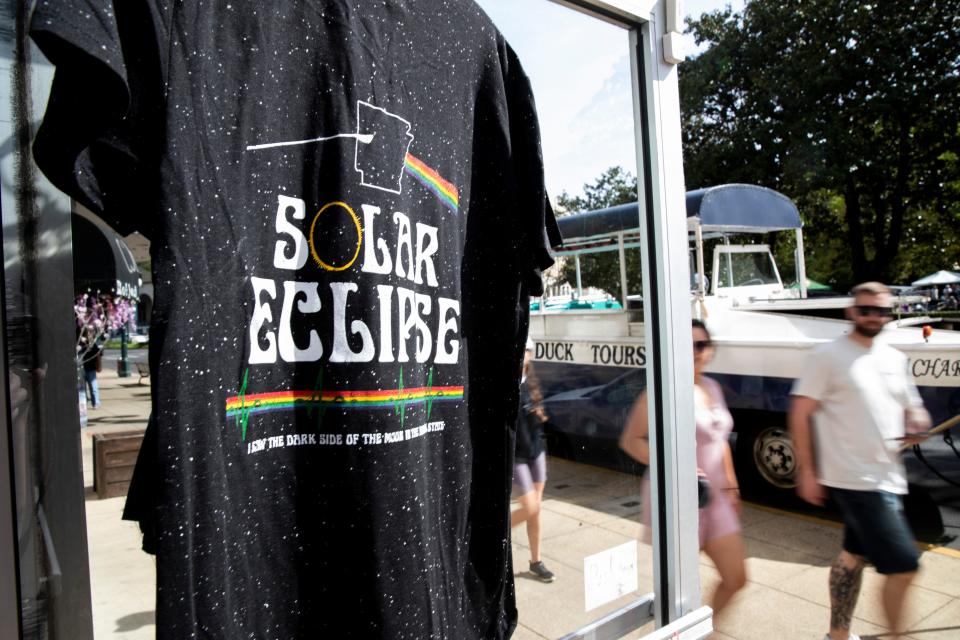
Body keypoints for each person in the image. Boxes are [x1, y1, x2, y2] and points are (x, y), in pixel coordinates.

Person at [789, 282, 931, 640]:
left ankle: (838, 635)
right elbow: (800, 412)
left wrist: (917, 421)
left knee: (852, 557)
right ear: (851, 312)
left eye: (881, 310)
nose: (873, 316)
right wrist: (807, 471)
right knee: (904, 568)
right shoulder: (828, 356)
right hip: (855, 480)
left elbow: (912, 408)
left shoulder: (895, 359)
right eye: (865, 309)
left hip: (888, 476)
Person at [620, 319, 746, 617]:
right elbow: (631, 440)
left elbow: (720, 438)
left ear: (710, 350)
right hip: (677, 500)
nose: (695, 351)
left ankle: (706, 635)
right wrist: (675, 466)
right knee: (679, 594)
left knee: (736, 577)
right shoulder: (661, 391)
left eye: (701, 344)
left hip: (715, 497)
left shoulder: (712, 387)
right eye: (687, 345)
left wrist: (731, 484)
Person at [512, 341, 554, 583]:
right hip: (518, 457)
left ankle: (536, 561)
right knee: (530, 508)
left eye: (527, 349)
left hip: (536, 454)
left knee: (535, 511)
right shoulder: (509, 385)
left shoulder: (532, 383)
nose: (524, 354)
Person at [82, 338, 103, 410]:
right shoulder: (80, 344)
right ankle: (85, 402)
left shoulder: (93, 345)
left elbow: (98, 355)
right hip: (82, 369)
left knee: (93, 387)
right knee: (83, 388)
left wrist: (99, 366)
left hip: (90, 369)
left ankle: (96, 403)